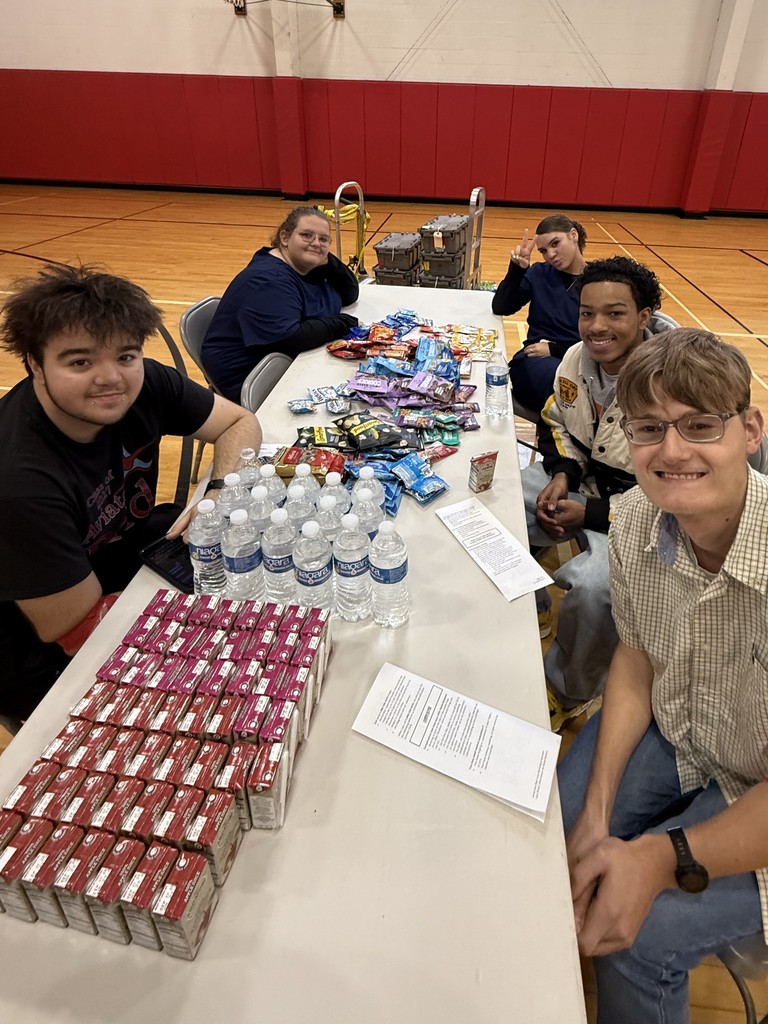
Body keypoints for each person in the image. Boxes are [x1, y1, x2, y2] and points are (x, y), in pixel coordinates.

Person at [558, 328, 768, 1024]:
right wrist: (595, 812)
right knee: (557, 834)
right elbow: (638, 657)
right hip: (689, 735)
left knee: (639, 940)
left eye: (699, 426)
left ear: (749, 429)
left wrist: (662, 855)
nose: (672, 451)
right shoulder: (635, 519)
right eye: (650, 429)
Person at [0, 264, 262, 721]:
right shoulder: (19, 484)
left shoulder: (143, 383)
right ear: (34, 364)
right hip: (35, 645)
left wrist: (220, 492)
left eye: (125, 355)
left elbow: (240, 422)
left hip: (118, 561)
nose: (111, 378)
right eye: (79, 362)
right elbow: (76, 627)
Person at [521, 256, 666, 728]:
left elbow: (679, 496)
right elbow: (558, 423)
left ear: (644, 318)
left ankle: (573, 687)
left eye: (615, 313)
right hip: (582, 482)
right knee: (500, 502)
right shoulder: (574, 359)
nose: (596, 326)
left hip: (647, 514)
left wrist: (593, 513)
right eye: (587, 313)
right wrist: (561, 475)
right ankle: (534, 603)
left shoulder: (676, 386)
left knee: (594, 589)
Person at [201, 205, 360, 402]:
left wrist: (325, 259)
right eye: (306, 235)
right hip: (252, 380)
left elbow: (349, 293)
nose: (316, 243)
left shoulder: (303, 265)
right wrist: (342, 323)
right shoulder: (267, 280)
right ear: (284, 238)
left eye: (324, 239)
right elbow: (289, 338)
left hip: (287, 361)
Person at [491, 213, 586, 416]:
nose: (550, 254)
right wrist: (517, 270)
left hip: (582, 361)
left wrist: (555, 349)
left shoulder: (598, 282)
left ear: (573, 235)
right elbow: (501, 306)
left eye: (555, 243)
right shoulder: (540, 273)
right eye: (544, 251)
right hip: (537, 362)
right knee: (566, 389)